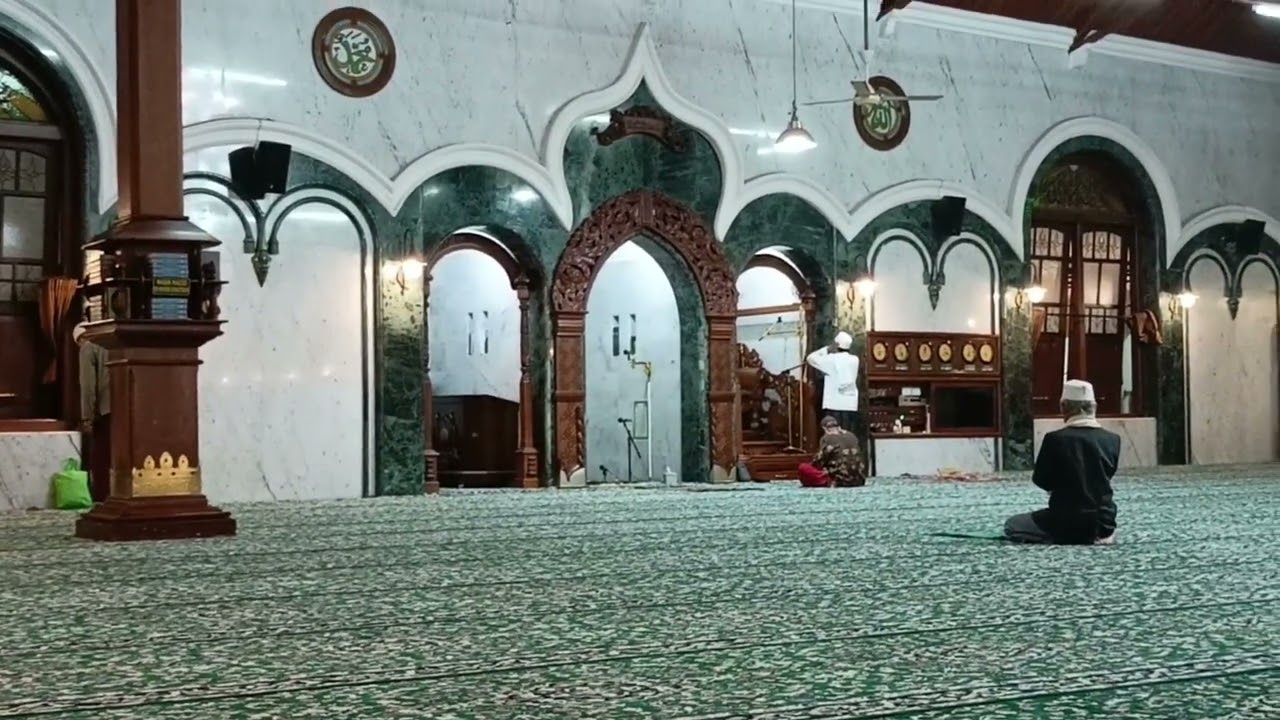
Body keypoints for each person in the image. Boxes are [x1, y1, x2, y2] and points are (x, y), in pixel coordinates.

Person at [1003, 379, 1120, 545]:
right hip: (1104, 522)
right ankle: (1098, 537)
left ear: (1064, 407)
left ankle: (1063, 537)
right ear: (1094, 407)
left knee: (1013, 525)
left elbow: (1041, 479)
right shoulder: (1113, 439)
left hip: (1065, 521)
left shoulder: (1055, 439)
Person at [75, 323, 111, 502]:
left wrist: (87, 418)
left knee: (102, 457)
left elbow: (88, 387)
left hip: (105, 411)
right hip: (128, 408)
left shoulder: (88, 348)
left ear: (81, 338)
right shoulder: (113, 343)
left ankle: (103, 497)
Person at [805, 331, 861, 434]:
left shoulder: (830, 360)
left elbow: (810, 358)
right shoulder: (855, 360)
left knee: (834, 438)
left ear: (836, 345)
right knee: (848, 437)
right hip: (850, 406)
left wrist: (827, 349)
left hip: (833, 406)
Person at [798, 415, 867, 488]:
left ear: (824, 428)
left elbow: (818, 462)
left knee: (803, 468)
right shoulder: (852, 435)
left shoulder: (827, 438)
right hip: (859, 479)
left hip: (838, 480)